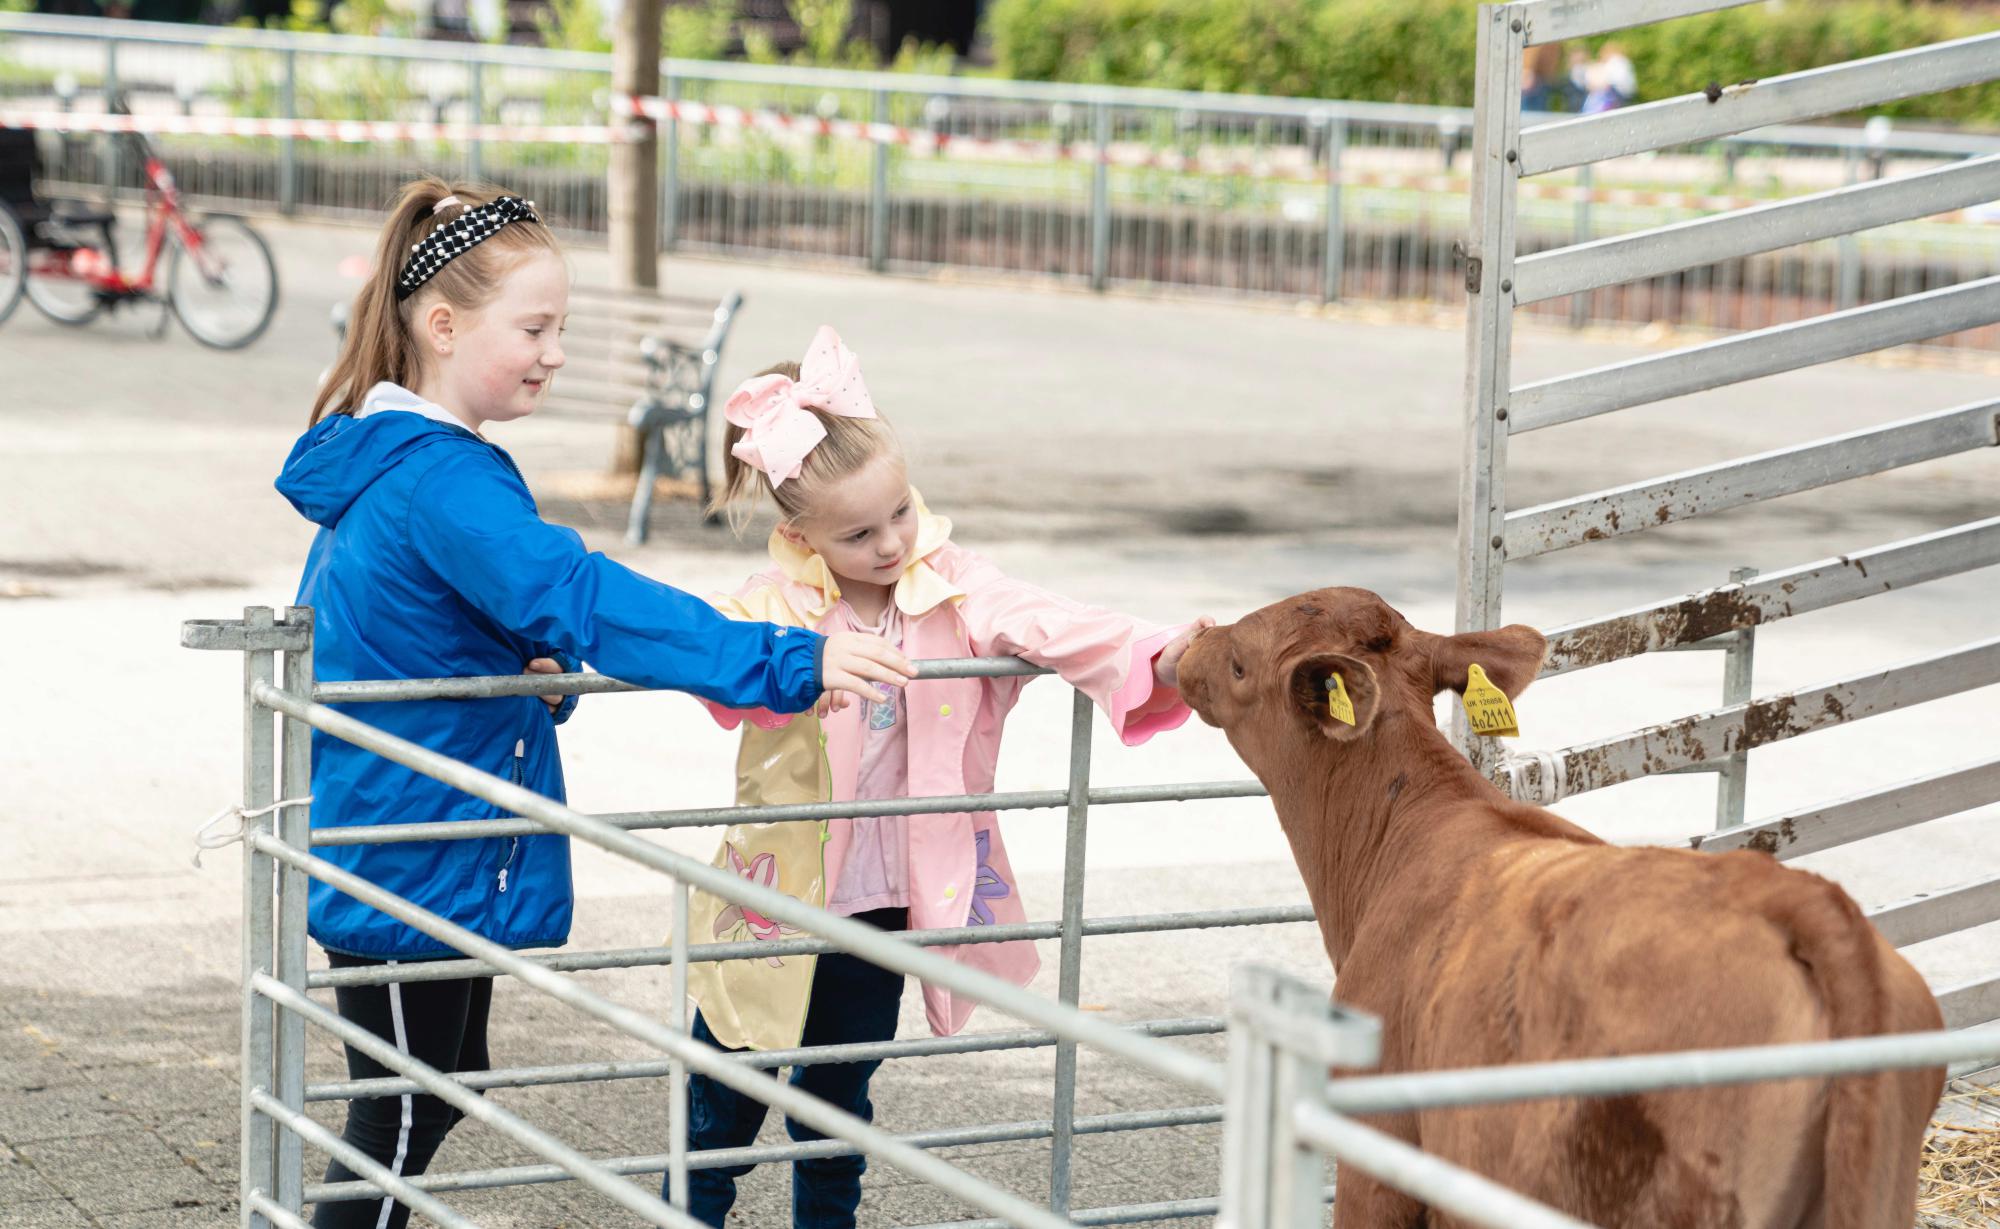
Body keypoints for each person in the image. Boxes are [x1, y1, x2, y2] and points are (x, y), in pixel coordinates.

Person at [276, 179, 912, 1229]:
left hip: (407, 829)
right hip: (406, 841)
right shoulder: (440, 480)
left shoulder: (411, 466)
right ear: (441, 326)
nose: (554, 349)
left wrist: (524, 668)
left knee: (436, 1086)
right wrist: (784, 660)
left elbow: (439, 627)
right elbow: (577, 596)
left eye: (559, 326)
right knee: (405, 1109)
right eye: (533, 326)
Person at [671, 325, 1210, 1228]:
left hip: (882, 904)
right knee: (720, 1099)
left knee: (837, 1104)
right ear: (799, 533)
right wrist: (561, 652)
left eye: (901, 514)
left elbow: (1044, 619)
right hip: (775, 898)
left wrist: (1157, 651)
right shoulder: (774, 606)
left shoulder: (952, 585)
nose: (890, 543)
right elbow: (683, 638)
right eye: (858, 532)